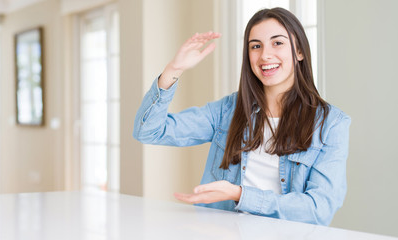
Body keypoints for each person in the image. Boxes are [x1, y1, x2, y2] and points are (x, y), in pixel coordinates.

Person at [132, 7, 350, 226]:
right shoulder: (227, 110)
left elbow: (319, 209)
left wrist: (240, 194)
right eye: (256, 46)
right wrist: (174, 69)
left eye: (278, 43)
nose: (265, 55)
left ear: (300, 51)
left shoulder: (331, 124)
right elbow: (149, 131)